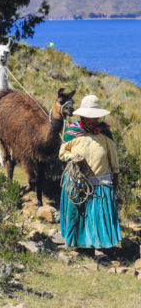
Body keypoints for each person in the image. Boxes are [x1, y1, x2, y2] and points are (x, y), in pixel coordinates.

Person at [59, 94, 121, 250]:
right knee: (78, 214)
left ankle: (100, 246)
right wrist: (73, 157)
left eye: (95, 117)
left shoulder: (104, 133)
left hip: (101, 181)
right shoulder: (73, 132)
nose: (93, 120)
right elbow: (62, 154)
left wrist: (116, 175)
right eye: (89, 117)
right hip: (77, 181)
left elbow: (112, 155)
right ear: (82, 116)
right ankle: (79, 244)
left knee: (98, 216)